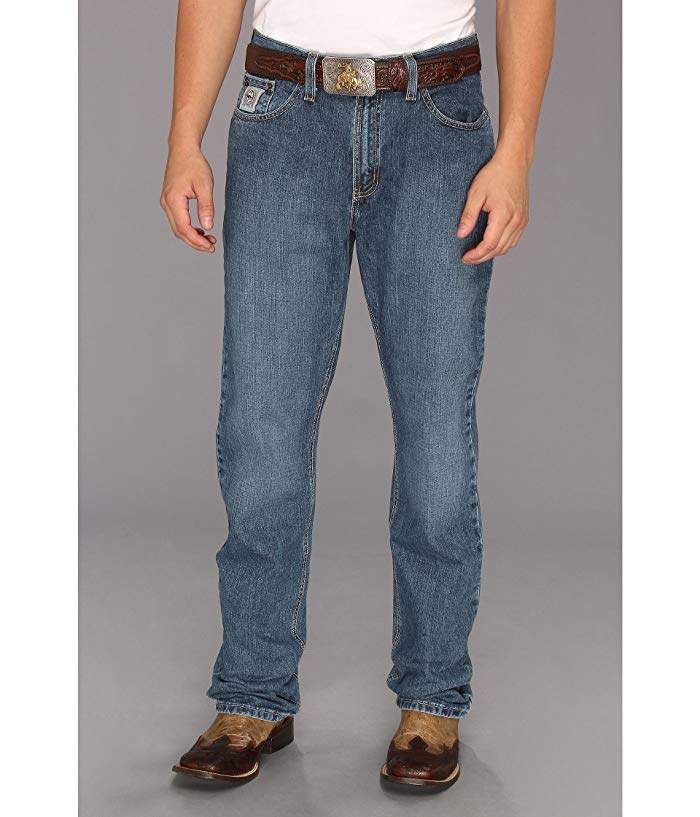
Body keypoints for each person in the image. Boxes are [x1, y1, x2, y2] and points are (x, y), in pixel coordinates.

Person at [162, 0, 554, 792]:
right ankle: (252, 693)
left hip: (437, 120)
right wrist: (183, 139)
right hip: (283, 115)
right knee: (261, 430)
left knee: (437, 435)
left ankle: (432, 696)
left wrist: (515, 152)